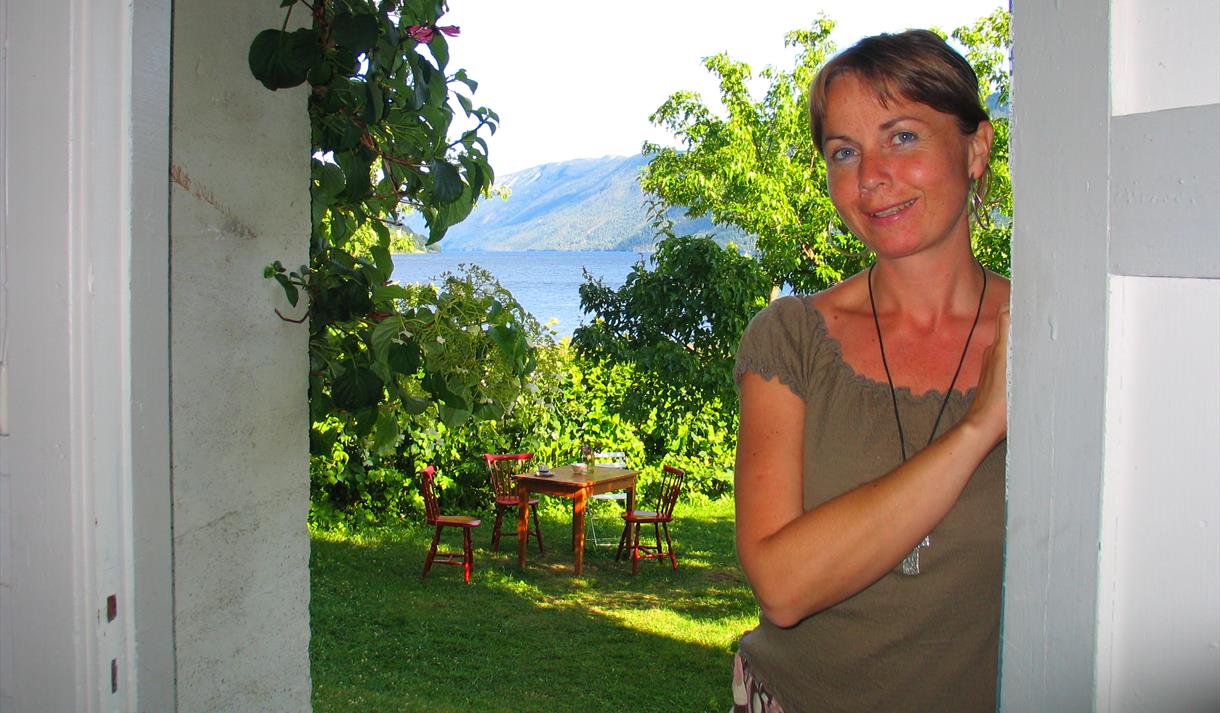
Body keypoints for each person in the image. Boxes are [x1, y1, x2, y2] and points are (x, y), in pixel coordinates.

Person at [731, 29, 1011, 713]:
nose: (870, 177)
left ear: (976, 148)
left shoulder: (1056, 335)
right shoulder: (791, 341)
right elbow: (782, 586)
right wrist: (979, 428)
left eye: (903, 137)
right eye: (844, 152)